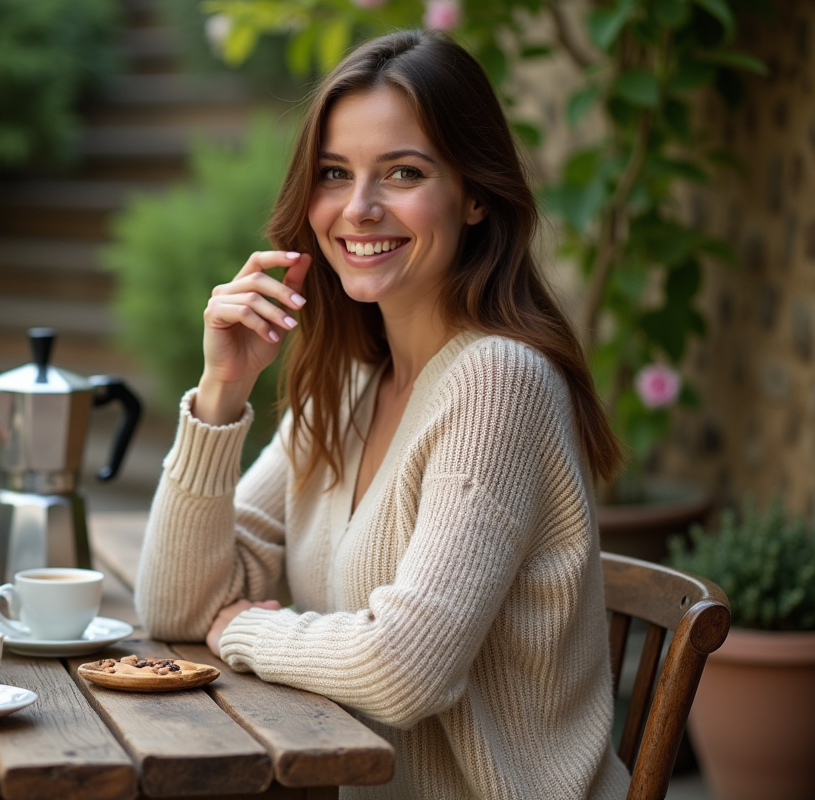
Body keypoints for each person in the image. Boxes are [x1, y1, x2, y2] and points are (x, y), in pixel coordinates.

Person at [134, 28, 632, 800]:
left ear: (473, 194)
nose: (359, 209)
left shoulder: (498, 383)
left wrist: (244, 631)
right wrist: (219, 393)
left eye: (402, 172)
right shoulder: (346, 391)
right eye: (335, 174)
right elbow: (174, 608)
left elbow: (405, 670)